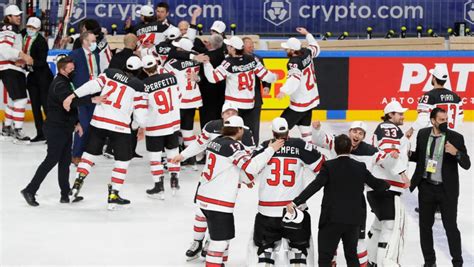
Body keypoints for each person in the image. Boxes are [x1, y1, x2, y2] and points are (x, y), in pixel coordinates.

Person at [312, 120, 406, 267]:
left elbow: (385, 161)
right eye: (355, 131)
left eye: (360, 133)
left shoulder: (370, 151)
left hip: (354, 203)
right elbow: (320, 139)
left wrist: (391, 158)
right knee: (332, 243)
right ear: (349, 132)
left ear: (363, 137)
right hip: (336, 200)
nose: (357, 135)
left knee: (358, 242)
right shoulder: (338, 143)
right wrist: (317, 129)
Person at [286, 134, 390, 267]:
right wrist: (388, 185)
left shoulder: (329, 166)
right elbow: (376, 184)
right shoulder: (360, 167)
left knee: (325, 258)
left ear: (335, 148)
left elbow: (315, 186)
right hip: (353, 220)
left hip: (331, 219)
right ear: (350, 149)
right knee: (352, 256)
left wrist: (296, 202)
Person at [196, 115, 284, 267]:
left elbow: (228, 168)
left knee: (224, 240)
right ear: (238, 130)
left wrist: (244, 179)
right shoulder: (233, 146)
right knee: (219, 244)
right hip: (218, 202)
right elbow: (251, 167)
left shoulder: (215, 142)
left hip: (205, 197)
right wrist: (271, 149)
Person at [171, 102, 256, 260]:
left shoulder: (245, 131)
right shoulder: (211, 127)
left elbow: (248, 158)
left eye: (233, 112)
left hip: (228, 181)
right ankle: (197, 242)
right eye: (227, 112)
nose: (230, 114)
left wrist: (245, 179)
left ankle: (211, 241)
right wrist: (183, 155)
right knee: (200, 211)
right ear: (222, 114)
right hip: (208, 179)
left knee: (218, 213)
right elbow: (199, 144)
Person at [65, 56, 147, 209]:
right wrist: (138, 126)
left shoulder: (110, 73)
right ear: (139, 70)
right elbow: (141, 116)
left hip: (99, 122)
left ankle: (76, 185)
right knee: (122, 161)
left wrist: (73, 95)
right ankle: (114, 194)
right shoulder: (139, 86)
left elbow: (91, 86)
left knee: (89, 155)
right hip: (120, 127)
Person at [20, 56, 104, 206]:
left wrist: (77, 122)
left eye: (73, 68)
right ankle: (29, 190)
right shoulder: (59, 84)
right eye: (70, 69)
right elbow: (70, 103)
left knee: (65, 162)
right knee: (51, 160)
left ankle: (65, 195)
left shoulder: (66, 82)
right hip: (55, 128)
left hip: (64, 127)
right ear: (62, 69)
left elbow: (70, 107)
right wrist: (91, 100)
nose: (73, 71)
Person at [250, 117, 325, 266]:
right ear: (288, 131)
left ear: (273, 132)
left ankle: (266, 256)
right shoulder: (299, 145)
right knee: (298, 253)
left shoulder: (264, 147)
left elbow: (249, 172)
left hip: (267, 211)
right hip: (294, 210)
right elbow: (321, 168)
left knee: (266, 252)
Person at [409, 107, 470, 267]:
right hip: (426, 188)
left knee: (450, 227)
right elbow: (420, 157)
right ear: (433, 121)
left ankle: (458, 263)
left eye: (446, 119)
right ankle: (429, 262)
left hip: (446, 190)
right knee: (425, 228)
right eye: (441, 120)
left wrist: (456, 152)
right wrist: (407, 154)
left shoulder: (455, 138)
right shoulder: (422, 134)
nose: (445, 122)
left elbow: (467, 164)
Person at [203, 36, 277, 136]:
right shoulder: (252, 59)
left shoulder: (228, 63)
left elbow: (213, 78)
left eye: (229, 46)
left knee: (231, 133)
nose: (227, 48)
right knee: (249, 133)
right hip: (250, 103)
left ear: (233, 49)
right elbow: (267, 77)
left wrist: (207, 63)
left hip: (233, 105)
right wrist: (274, 77)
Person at [367, 100, 410, 266]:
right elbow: (389, 153)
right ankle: (381, 263)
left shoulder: (384, 128)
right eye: (399, 113)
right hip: (387, 187)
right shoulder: (389, 128)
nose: (403, 116)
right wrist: (403, 174)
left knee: (378, 226)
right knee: (390, 227)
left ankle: (370, 261)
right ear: (390, 115)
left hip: (376, 187)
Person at [141, 55, 182, 199]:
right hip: (172, 123)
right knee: (173, 153)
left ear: (145, 69)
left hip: (155, 125)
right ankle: (174, 180)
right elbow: (179, 95)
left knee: (155, 157)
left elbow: (143, 108)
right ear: (157, 64)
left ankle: (158, 186)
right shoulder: (171, 77)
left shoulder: (144, 84)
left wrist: (139, 125)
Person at [277, 27, 320, 142]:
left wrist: (284, 91)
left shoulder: (293, 62)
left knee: (279, 126)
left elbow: (294, 79)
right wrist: (307, 34)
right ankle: (310, 148)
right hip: (310, 99)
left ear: (292, 50)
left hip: (300, 102)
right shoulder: (307, 52)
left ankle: (280, 148)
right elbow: (316, 47)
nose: (285, 51)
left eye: (287, 49)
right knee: (305, 127)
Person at [164, 38, 202, 168]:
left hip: (179, 100)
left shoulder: (172, 63)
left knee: (173, 130)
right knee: (188, 131)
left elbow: (164, 76)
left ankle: (173, 160)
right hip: (193, 99)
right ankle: (192, 161)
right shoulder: (196, 60)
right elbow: (199, 77)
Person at [0, 4, 34, 144]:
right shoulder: (8, 29)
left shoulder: (12, 29)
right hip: (10, 68)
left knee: (15, 99)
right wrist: (23, 56)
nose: (19, 17)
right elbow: (4, 49)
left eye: (20, 15)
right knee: (20, 99)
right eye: (16, 15)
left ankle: (7, 127)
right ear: (8, 17)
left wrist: (20, 58)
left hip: (11, 67)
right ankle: (17, 130)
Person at [406, 65, 464, 138]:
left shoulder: (428, 96)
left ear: (434, 78)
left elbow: (423, 119)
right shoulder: (456, 97)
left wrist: (411, 129)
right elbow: (460, 118)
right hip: (451, 137)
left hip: (435, 138)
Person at [69, 31, 101, 164]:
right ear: (84, 41)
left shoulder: (96, 55)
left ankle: (85, 156)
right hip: (80, 95)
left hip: (95, 95)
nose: (95, 44)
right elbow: (69, 74)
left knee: (92, 126)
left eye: (95, 41)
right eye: (92, 41)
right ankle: (76, 155)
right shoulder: (75, 55)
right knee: (83, 125)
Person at [22, 17, 53, 143]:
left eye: (33, 28)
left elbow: (42, 62)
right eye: (29, 27)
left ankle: (51, 134)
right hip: (32, 77)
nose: (30, 29)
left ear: (38, 29)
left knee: (46, 106)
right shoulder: (23, 35)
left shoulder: (41, 42)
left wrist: (31, 61)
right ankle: (40, 133)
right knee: (35, 107)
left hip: (44, 77)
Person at [242, 36, 272, 144]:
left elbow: (265, 76)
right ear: (242, 46)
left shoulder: (258, 59)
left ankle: (254, 149)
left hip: (255, 99)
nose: (252, 48)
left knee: (254, 127)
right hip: (238, 99)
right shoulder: (234, 59)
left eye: (253, 46)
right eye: (249, 46)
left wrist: (266, 86)